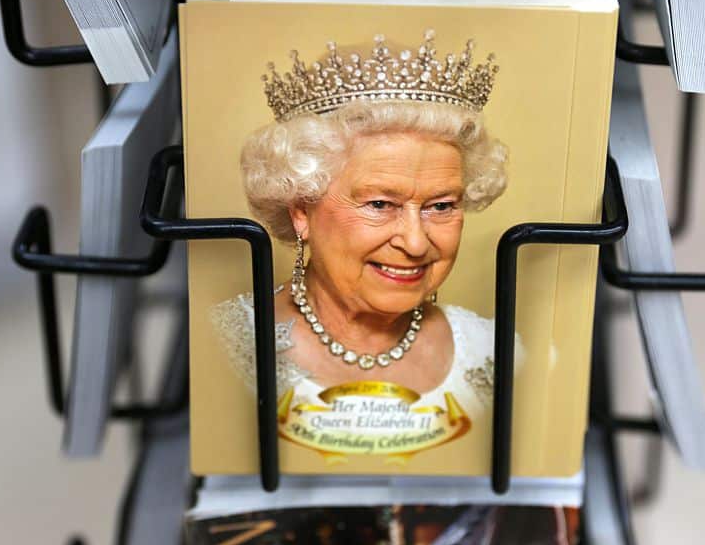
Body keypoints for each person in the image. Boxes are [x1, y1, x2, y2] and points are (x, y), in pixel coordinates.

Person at [210, 31, 519, 455]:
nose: (415, 243)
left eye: (442, 206)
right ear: (301, 211)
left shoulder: (501, 352)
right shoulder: (222, 345)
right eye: (379, 203)